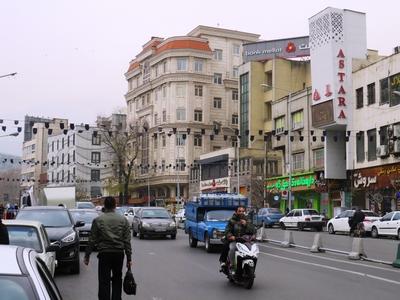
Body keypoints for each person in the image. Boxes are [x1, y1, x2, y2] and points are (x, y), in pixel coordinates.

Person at [84, 197, 132, 300]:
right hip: (119, 254)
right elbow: (127, 241)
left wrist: (87, 255)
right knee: (117, 279)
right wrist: (129, 258)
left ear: (104, 206)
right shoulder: (123, 220)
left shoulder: (98, 220)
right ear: (115, 205)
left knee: (104, 281)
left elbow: (92, 239)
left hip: (104, 254)